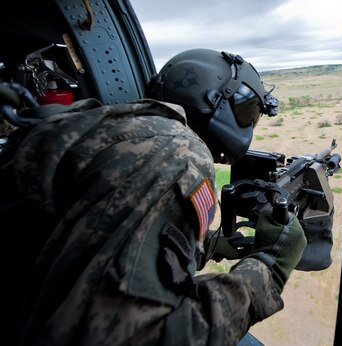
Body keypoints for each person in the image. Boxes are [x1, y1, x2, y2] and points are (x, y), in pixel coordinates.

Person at [0, 49, 307, 345]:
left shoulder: (123, 128)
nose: (248, 125)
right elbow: (130, 334)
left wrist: (205, 246)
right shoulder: (175, 149)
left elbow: (95, 234)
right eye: (247, 112)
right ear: (214, 98)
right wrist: (269, 269)